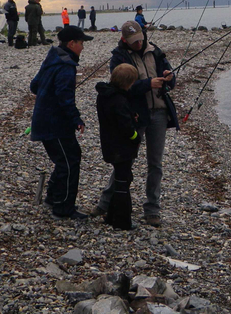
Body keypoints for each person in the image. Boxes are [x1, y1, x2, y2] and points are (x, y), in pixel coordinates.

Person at [91, 20, 178, 226]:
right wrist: (148, 84)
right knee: (125, 161)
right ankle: (105, 203)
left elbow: (171, 82)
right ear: (124, 40)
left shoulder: (155, 52)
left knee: (155, 164)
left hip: (159, 112)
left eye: (139, 39)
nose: (138, 44)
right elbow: (122, 87)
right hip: (136, 115)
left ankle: (152, 209)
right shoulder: (118, 57)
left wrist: (169, 77)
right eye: (133, 41)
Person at [29, 25, 93, 219]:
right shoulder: (66, 66)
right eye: (81, 43)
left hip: (44, 122)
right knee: (69, 161)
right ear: (71, 43)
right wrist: (76, 119)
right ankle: (63, 207)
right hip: (54, 125)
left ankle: (52, 198)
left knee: (65, 159)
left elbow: (34, 86)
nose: (83, 47)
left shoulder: (52, 58)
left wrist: (48, 92)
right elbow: (65, 98)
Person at [95, 62, 141, 229]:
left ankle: (111, 217)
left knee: (122, 178)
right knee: (123, 181)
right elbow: (125, 126)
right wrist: (136, 137)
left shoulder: (104, 95)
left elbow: (116, 116)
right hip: (121, 148)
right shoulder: (119, 99)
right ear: (128, 83)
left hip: (109, 145)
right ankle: (122, 221)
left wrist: (130, 114)